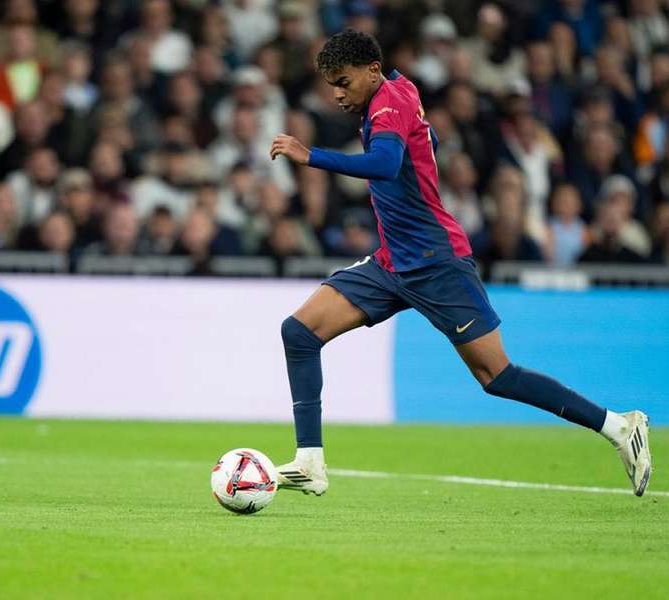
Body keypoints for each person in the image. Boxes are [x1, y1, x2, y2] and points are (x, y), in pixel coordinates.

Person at [268, 29, 652, 498]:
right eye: (331, 84)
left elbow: (386, 164)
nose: (337, 93)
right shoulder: (394, 90)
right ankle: (310, 461)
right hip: (393, 264)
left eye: (343, 82)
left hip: (436, 262)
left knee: (497, 376)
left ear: (372, 71)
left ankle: (618, 425)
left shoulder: (388, 104)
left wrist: (310, 157)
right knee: (300, 331)